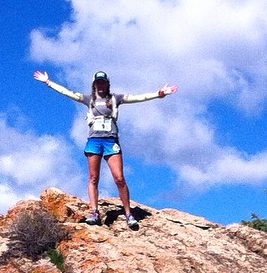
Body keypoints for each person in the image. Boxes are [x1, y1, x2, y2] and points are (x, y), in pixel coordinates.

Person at [33, 69, 178, 229]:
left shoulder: (116, 98)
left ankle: (128, 214)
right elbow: (68, 93)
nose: (100, 85)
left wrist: (159, 93)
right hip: (94, 140)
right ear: (94, 85)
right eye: (98, 83)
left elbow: (138, 98)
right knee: (93, 178)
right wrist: (48, 82)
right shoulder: (89, 99)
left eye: (103, 82)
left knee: (119, 179)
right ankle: (94, 213)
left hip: (111, 140)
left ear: (107, 84)